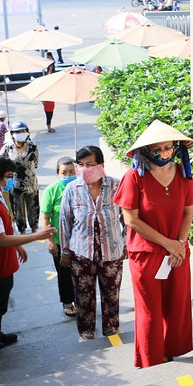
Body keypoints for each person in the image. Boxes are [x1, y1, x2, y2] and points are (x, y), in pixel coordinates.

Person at [113, 120, 193, 368]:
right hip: (147, 253)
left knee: (178, 303)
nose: (165, 154)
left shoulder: (184, 174)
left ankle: (172, 349)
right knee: (149, 308)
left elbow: (188, 212)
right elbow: (132, 220)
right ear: (146, 151)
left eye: (170, 148)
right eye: (159, 149)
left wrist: (180, 244)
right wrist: (169, 244)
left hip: (179, 251)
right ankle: (152, 356)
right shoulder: (134, 177)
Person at [0, 155, 54, 351]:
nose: (10, 180)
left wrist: (17, 245)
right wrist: (36, 236)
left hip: (0, 258)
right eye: (8, 176)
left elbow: (3, 230)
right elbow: (0, 240)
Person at [60, 146, 126, 340]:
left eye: (89, 164)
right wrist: (64, 252)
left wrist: (126, 243)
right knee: (83, 296)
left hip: (111, 251)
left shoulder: (116, 186)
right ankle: (86, 331)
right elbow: (65, 221)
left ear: (101, 165)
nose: (84, 169)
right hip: (81, 253)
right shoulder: (72, 189)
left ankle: (111, 328)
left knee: (111, 294)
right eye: (80, 165)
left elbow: (127, 218)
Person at [40, 157, 77, 318]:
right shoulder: (51, 190)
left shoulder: (81, 187)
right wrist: (50, 241)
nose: (67, 175)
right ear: (57, 173)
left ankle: (83, 300)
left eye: (71, 172)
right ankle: (67, 301)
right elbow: (46, 217)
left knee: (82, 274)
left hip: (80, 241)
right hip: (60, 241)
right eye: (64, 172)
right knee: (64, 274)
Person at [0, 120, 40, 234]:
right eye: (17, 131)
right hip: (15, 183)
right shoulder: (7, 148)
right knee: (18, 207)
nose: (20, 133)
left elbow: (36, 163)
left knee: (34, 205)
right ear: (12, 134)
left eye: (23, 131)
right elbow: (0, 162)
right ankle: (22, 229)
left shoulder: (33, 146)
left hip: (32, 182)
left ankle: (35, 227)